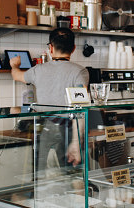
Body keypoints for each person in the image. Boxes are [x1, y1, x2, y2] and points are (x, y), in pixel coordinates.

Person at [10, 28, 88, 169]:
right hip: (69, 131)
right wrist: (76, 142)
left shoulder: (38, 70)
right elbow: (80, 109)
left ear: (50, 48)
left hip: (44, 128)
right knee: (73, 174)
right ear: (73, 48)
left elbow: (16, 75)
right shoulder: (79, 72)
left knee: (41, 174)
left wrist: (14, 65)